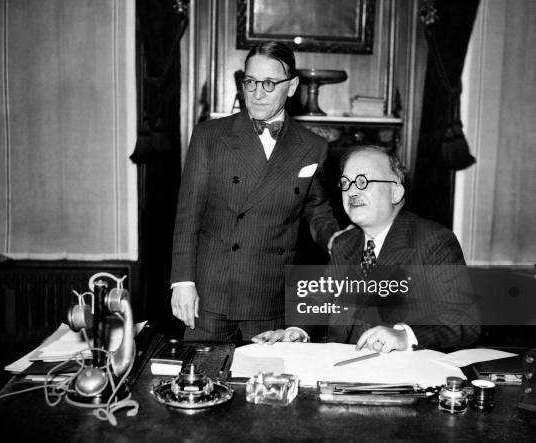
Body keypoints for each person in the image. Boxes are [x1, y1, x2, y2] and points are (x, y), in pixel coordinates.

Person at [170, 42, 339, 341]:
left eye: (270, 83)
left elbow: (316, 210)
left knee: (265, 386)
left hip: (270, 295)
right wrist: (183, 282)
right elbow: (188, 216)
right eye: (250, 82)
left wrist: (335, 239)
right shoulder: (210, 136)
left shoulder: (313, 147)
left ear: (292, 87)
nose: (257, 93)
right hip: (211, 295)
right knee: (202, 381)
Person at [253, 145, 480, 351]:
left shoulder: (433, 241)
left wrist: (405, 335)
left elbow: (465, 323)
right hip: (339, 369)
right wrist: (296, 332)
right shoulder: (345, 243)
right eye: (345, 183)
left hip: (398, 378)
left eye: (363, 182)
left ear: (396, 192)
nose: (352, 191)